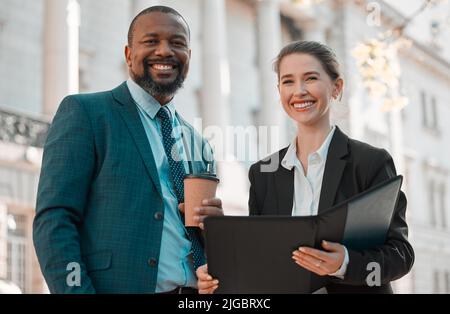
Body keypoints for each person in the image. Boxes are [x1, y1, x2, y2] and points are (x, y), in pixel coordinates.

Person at [197, 40, 414, 294]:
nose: (298, 91)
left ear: (336, 87)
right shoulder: (263, 173)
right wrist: (219, 269)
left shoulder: (371, 162)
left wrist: (345, 263)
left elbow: (400, 256)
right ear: (279, 91)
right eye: (288, 81)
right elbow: (262, 258)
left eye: (310, 78)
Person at [33, 6, 223, 294]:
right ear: (128, 54)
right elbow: (55, 220)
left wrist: (215, 232)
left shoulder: (199, 143)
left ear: (188, 57)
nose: (165, 51)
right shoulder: (87, 114)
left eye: (177, 43)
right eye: (151, 41)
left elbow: (194, 238)